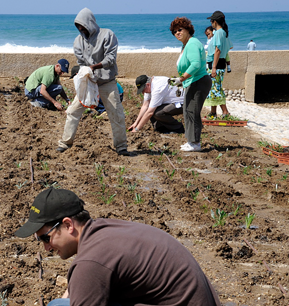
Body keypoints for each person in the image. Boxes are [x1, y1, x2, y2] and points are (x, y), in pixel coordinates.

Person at [14, 188, 221, 306]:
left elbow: (90, 271)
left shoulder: (91, 262)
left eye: (45, 238)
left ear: (68, 225)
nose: (46, 249)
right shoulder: (103, 230)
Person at [56, 8, 129, 156]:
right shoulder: (78, 41)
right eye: (78, 27)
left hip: (107, 82)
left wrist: (93, 67)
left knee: (116, 114)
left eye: (83, 26)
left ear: (90, 22)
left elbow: (110, 58)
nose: (81, 29)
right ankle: (65, 143)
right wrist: (84, 73)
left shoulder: (107, 35)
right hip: (89, 83)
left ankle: (121, 147)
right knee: (73, 111)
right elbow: (80, 62)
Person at [169, 17, 212, 152]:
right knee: (187, 111)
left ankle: (195, 143)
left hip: (199, 81)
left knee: (192, 112)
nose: (177, 33)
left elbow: (195, 64)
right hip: (192, 82)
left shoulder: (192, 43)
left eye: (180, 30)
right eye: (175, 32)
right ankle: (190, 141)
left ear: (188, 29)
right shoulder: (186, 45)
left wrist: (181, 79)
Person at [203, 11, 232, 118]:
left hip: (216, 65)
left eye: (211, 20)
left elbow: (218, 50)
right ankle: (213, 113)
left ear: (215, 21)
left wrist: (214, 67)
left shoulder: (219, 33)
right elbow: (229, 46)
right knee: (214, 88)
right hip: (219, 64)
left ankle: (225, 112)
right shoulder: (223, 33)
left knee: (216, 89)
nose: (211, 22)